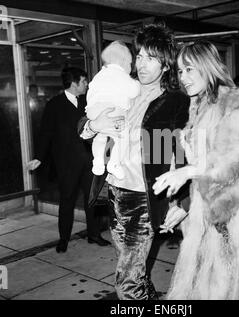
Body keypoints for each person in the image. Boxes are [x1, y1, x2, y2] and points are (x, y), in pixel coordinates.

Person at [78, 23, 190, 300]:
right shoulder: (121, 85)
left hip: (144, 196)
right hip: (114, 190)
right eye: (139, 56)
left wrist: (178, 202)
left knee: (126, 281)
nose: (142, 64)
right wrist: (93, 124)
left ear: (165, 65)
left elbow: (177, 153)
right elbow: (83, 119)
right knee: (131, 266)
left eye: (151, 58)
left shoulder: (173, 101)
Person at [153, 41, 239, 300]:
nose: (183, 77)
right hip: (202, 218)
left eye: (190, 69)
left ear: (207, 66)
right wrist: (182, 205)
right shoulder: (197, 105)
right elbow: (197, 167)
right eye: (180, 71)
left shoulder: (238, 102)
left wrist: (187, 172)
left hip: (230, 222)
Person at [27, 67, 112, 253]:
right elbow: (46, 134)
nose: (86, 84)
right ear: (74, 83)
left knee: (92, 199)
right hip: (66, 164)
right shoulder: (54, 104)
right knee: (67, 201)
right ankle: (64, 239)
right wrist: (39, 157)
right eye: (83, 81)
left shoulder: (88, 101)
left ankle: (94, 234)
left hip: (89, 161)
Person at [86, 40, 140, 178]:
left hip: (94, 109)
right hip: (114, 112)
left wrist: (91, 110)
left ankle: (97, 160)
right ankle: (114, 163)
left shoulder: (100, 75)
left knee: (101, 137)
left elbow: (91, 90)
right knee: (122, 136)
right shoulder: (123, 77)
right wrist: (93, 125)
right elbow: (134, 90)